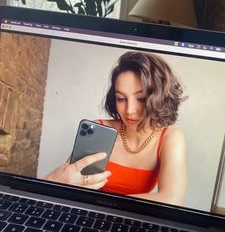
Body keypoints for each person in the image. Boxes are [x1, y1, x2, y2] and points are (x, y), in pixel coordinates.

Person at [45, 51, 187, 205]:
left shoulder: (170, 137)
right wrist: (53, 180)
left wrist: (105, 205)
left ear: (160, 97)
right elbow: (70, 183)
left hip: (132, 219)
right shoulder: (99, 129)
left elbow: (173, 200)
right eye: (121, 98)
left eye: (141, 98)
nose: (130, 110)